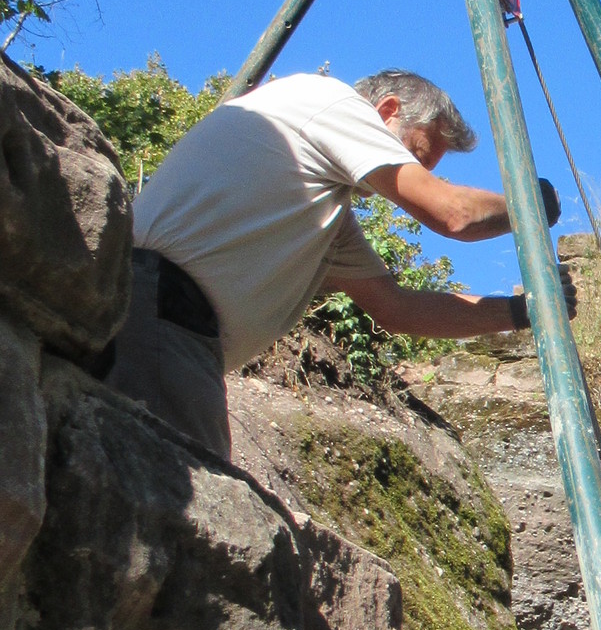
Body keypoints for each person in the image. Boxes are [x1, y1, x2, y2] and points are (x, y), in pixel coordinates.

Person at [101, 64, 574, 461]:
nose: (411, 175)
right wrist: (528, 205)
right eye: (412, 156)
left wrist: (521, 311)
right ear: (387, 111)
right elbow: (453, 213)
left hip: (168, 330)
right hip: (159, 313)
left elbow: (397, 308)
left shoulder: (319, 213)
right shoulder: (330, 102)